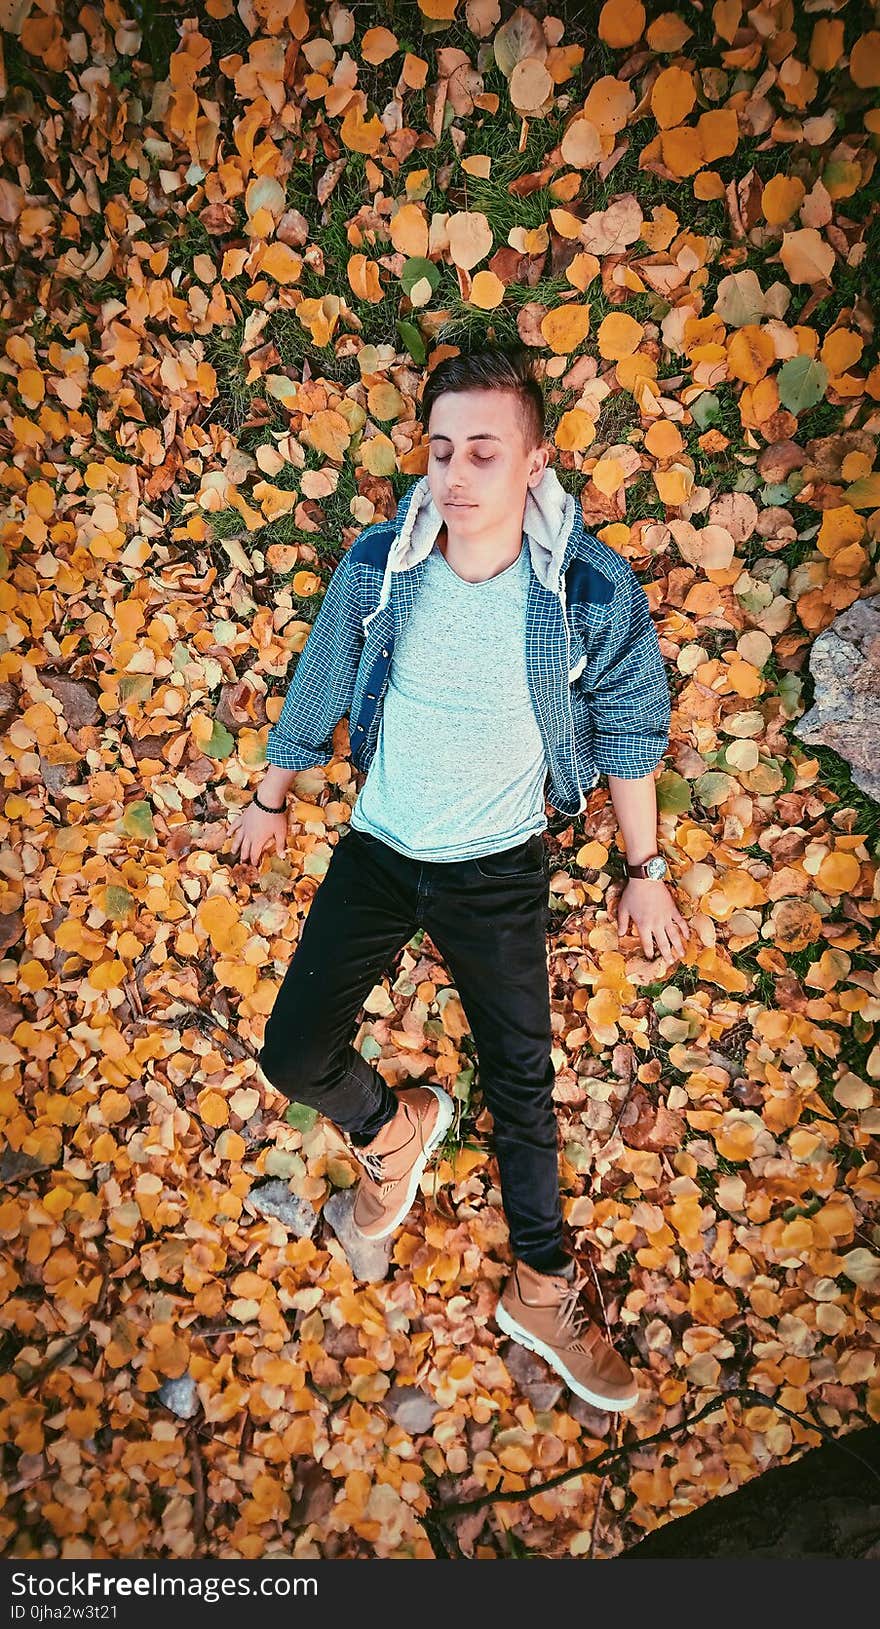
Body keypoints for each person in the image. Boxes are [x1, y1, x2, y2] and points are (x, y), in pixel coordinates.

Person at [230, 343, 689, 1413]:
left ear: (535, 460)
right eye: (441, 449)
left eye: (484, 449)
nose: (457, 472)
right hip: (381, 849)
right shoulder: (383, 563)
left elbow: (629, 723)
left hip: (496, 871)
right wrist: (270, 794)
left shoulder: (584, 585)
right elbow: (321, 680)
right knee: (293, 1053)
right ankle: (393, 1130)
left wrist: (644, 865)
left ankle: (540, 1285)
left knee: (523, 1088)